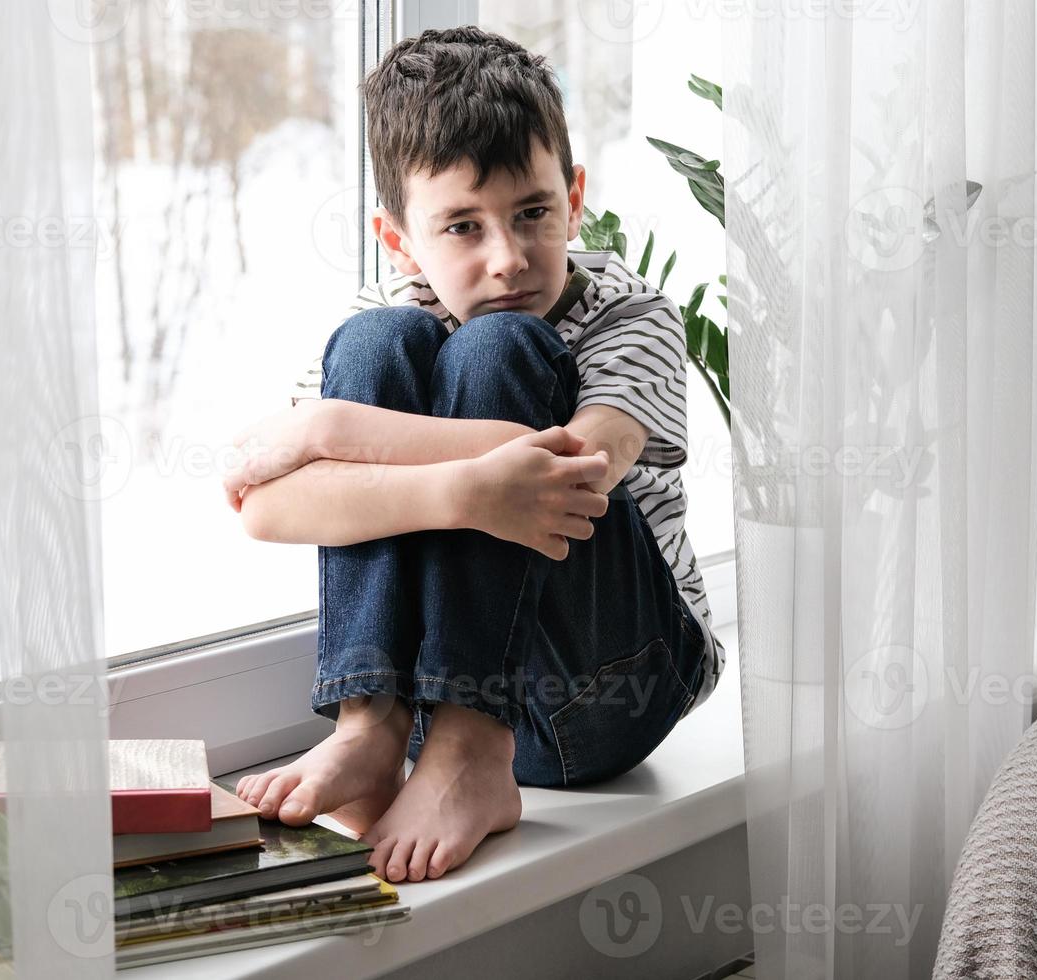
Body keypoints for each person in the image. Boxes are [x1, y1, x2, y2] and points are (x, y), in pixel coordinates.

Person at [223, 26, 725, 885]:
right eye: (462, 226)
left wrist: (327, 433)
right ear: (400, 239)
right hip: (425, 691)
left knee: (498, 353)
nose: (508, 257)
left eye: (534, 211)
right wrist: (469, 489)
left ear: (574, 193)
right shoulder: (392, 308)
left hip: (609, 686)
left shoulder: (629, 315)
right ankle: (369, 727)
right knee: (381, 341)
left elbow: (578, 471)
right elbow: (266, 507)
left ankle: (468, 750)